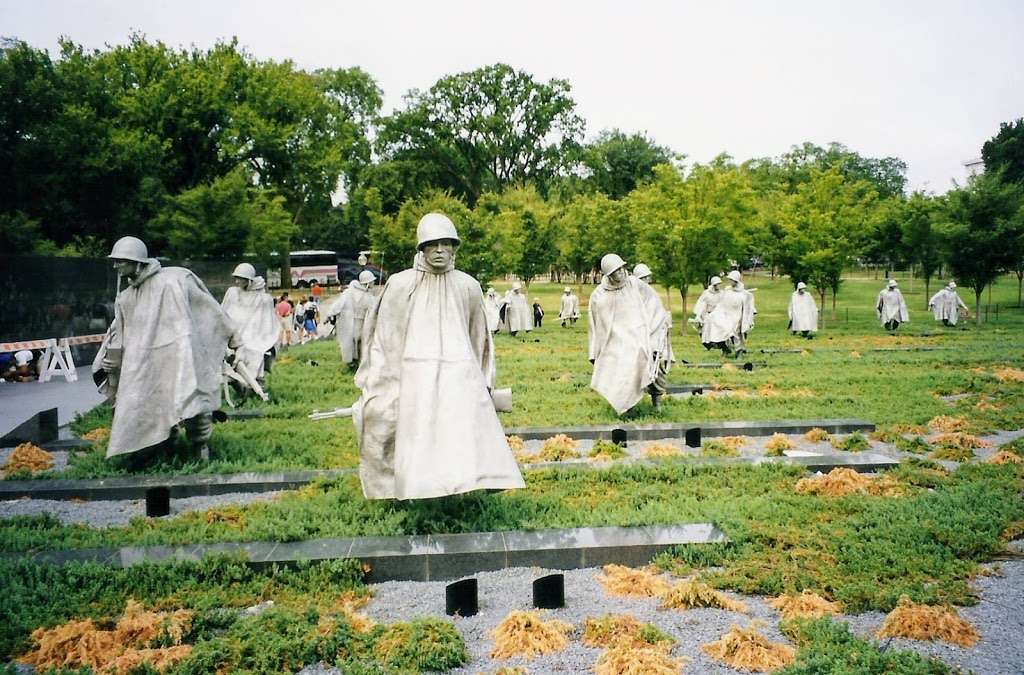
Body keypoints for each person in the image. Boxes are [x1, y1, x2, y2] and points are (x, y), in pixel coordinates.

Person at [353, 212, 525, 500]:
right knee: (404, 431)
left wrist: (482, 381)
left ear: (455, 247)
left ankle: (459, 490)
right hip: (413, 373)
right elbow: (386, 338)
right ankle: (409, 489)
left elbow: (479, 339)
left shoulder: (467, 286)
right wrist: (384, 381)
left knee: (457, 432)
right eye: (433, 244)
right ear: (421, 248)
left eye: (446, 243)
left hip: (458, 374)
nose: (440, 250)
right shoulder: (400, 284)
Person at [92, 236, 233, 462]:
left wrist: (230, 337)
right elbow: (119, 332)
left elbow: (207, 309)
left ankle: (200, 447)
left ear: (137, 261)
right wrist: (109, 359)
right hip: (145, 362)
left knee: (192, 400)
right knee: (148, 404)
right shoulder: (126, 297)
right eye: (115, 261)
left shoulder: (174, 280)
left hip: (180, 353)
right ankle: (165, 448)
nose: (116, 265)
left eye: (121, 260)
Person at [588, 253, 672, 414]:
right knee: (621, 368)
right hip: (616, 341)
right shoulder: (599, 294)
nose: (619, 274)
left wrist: (657, 325)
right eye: (614, 272)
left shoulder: (635, 284)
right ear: (608, 275)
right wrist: (595, 350)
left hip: (641, 335)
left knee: (652, 360)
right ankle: (627, 405)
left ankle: (657, 400)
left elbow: (652, 303)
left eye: (620, 269)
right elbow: (595, 325)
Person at [221, 262, 279, 394]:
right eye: (236, 278)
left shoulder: (263, 299)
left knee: (254, 353)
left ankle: (254, 388)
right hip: (234, 335)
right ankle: (239, 386)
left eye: (240, 279)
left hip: (253, 337)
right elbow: (223, 313)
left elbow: (264, 323)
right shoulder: (232, 293)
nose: (237, 281)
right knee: (230, 358)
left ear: (249, 280)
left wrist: (256, 340)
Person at [326, 276, 374, 368]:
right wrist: (330, 314)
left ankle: (357, 362)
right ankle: (356, 362)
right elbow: (338, 305)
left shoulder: (364, 295)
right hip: (354, 322)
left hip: (360, 322)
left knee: (356, 342)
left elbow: (337, 305)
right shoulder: (353, 294)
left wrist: (330, 314)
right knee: (356, 342)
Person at [703, 271, 749, 355]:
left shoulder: (743, 294)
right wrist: (713, 314)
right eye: (730, 280)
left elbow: (747, 308)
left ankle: (739, 351)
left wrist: (746, 321)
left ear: (736, 281)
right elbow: (722, 305)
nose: (730, 282)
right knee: (718, 326)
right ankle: (725, 348)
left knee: (734, 331)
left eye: (732, 280)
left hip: (737, 317)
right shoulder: (727, 291)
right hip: (727, 316)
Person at [692, 276, 722, 349]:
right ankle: (708, 344)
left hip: (718, 315)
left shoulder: (721, 293)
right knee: (706, 331)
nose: (718, 286)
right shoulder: (706, 293)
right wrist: (699, 315)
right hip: (708, 315)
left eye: (719, 284)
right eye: (716, 284)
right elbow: (700, 304)